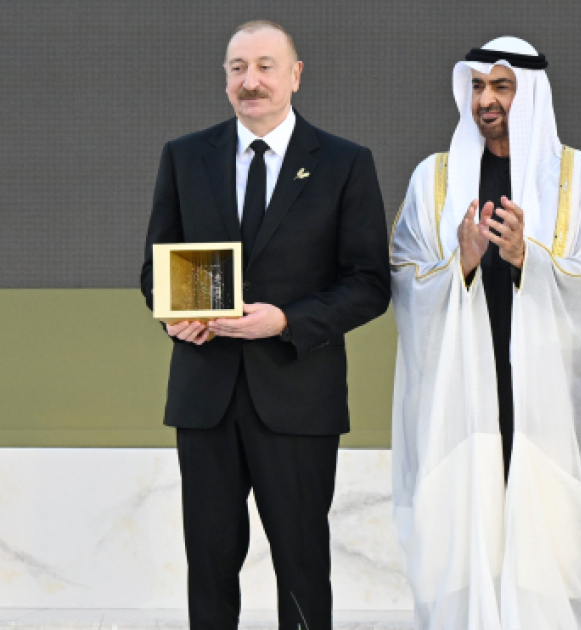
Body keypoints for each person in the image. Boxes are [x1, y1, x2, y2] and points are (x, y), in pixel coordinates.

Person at [139, 20, 390, 630]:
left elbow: (370, 284)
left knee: (302, 562)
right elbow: (155, 269)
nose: (250, 81)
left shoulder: (344, 163)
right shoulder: (184, 156)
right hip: (206, 395)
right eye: (237, 68)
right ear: (225, 78)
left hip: (298, 395)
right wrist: (175, 315)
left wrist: (287, 321)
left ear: (295, 75)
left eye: (265, 66)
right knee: (209, 561)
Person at [390, 37, 581, 629]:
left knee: (548, 550)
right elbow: (404, 274)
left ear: (532, 94)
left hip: (548, 400)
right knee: (465, 539)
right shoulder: (435, 177)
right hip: (461, 393)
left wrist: (528, 258)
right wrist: (461, 264)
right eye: (477, 86)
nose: (486, 100)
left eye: (502, 86)